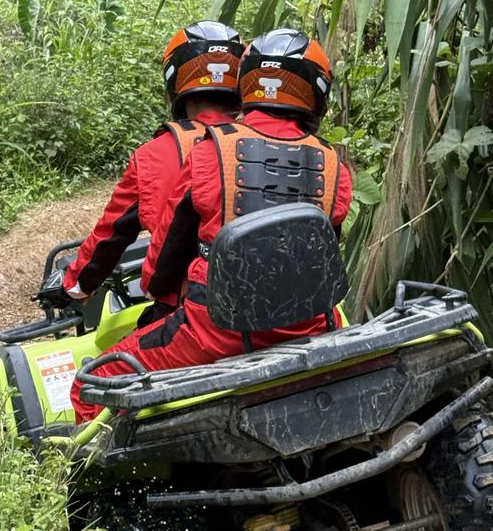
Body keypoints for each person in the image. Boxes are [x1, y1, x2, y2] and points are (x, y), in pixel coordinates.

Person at [70, 28, 353, 422]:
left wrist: (159, 293)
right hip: (310, 326)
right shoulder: (335, 166)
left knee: (93, 382)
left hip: (216, 330)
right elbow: (325, 256)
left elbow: (170, 241)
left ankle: (83, 479)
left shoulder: (212, 149)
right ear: (316, 94)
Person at [38, 22, 244, 317]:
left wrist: (74, 285)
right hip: (272, 304)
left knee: (109, 362)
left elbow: (110, 238)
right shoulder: (266, 142)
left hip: (189, 314)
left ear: (176, 85)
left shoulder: (153, 156)